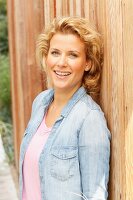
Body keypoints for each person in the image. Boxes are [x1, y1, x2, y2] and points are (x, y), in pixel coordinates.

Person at [19, 16, 111, 200]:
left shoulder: (89, 119)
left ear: (88, 63)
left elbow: (95, 196)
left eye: (72, 55)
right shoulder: (40, 103)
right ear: (46, 57)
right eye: (55, 53)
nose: (61, 62)